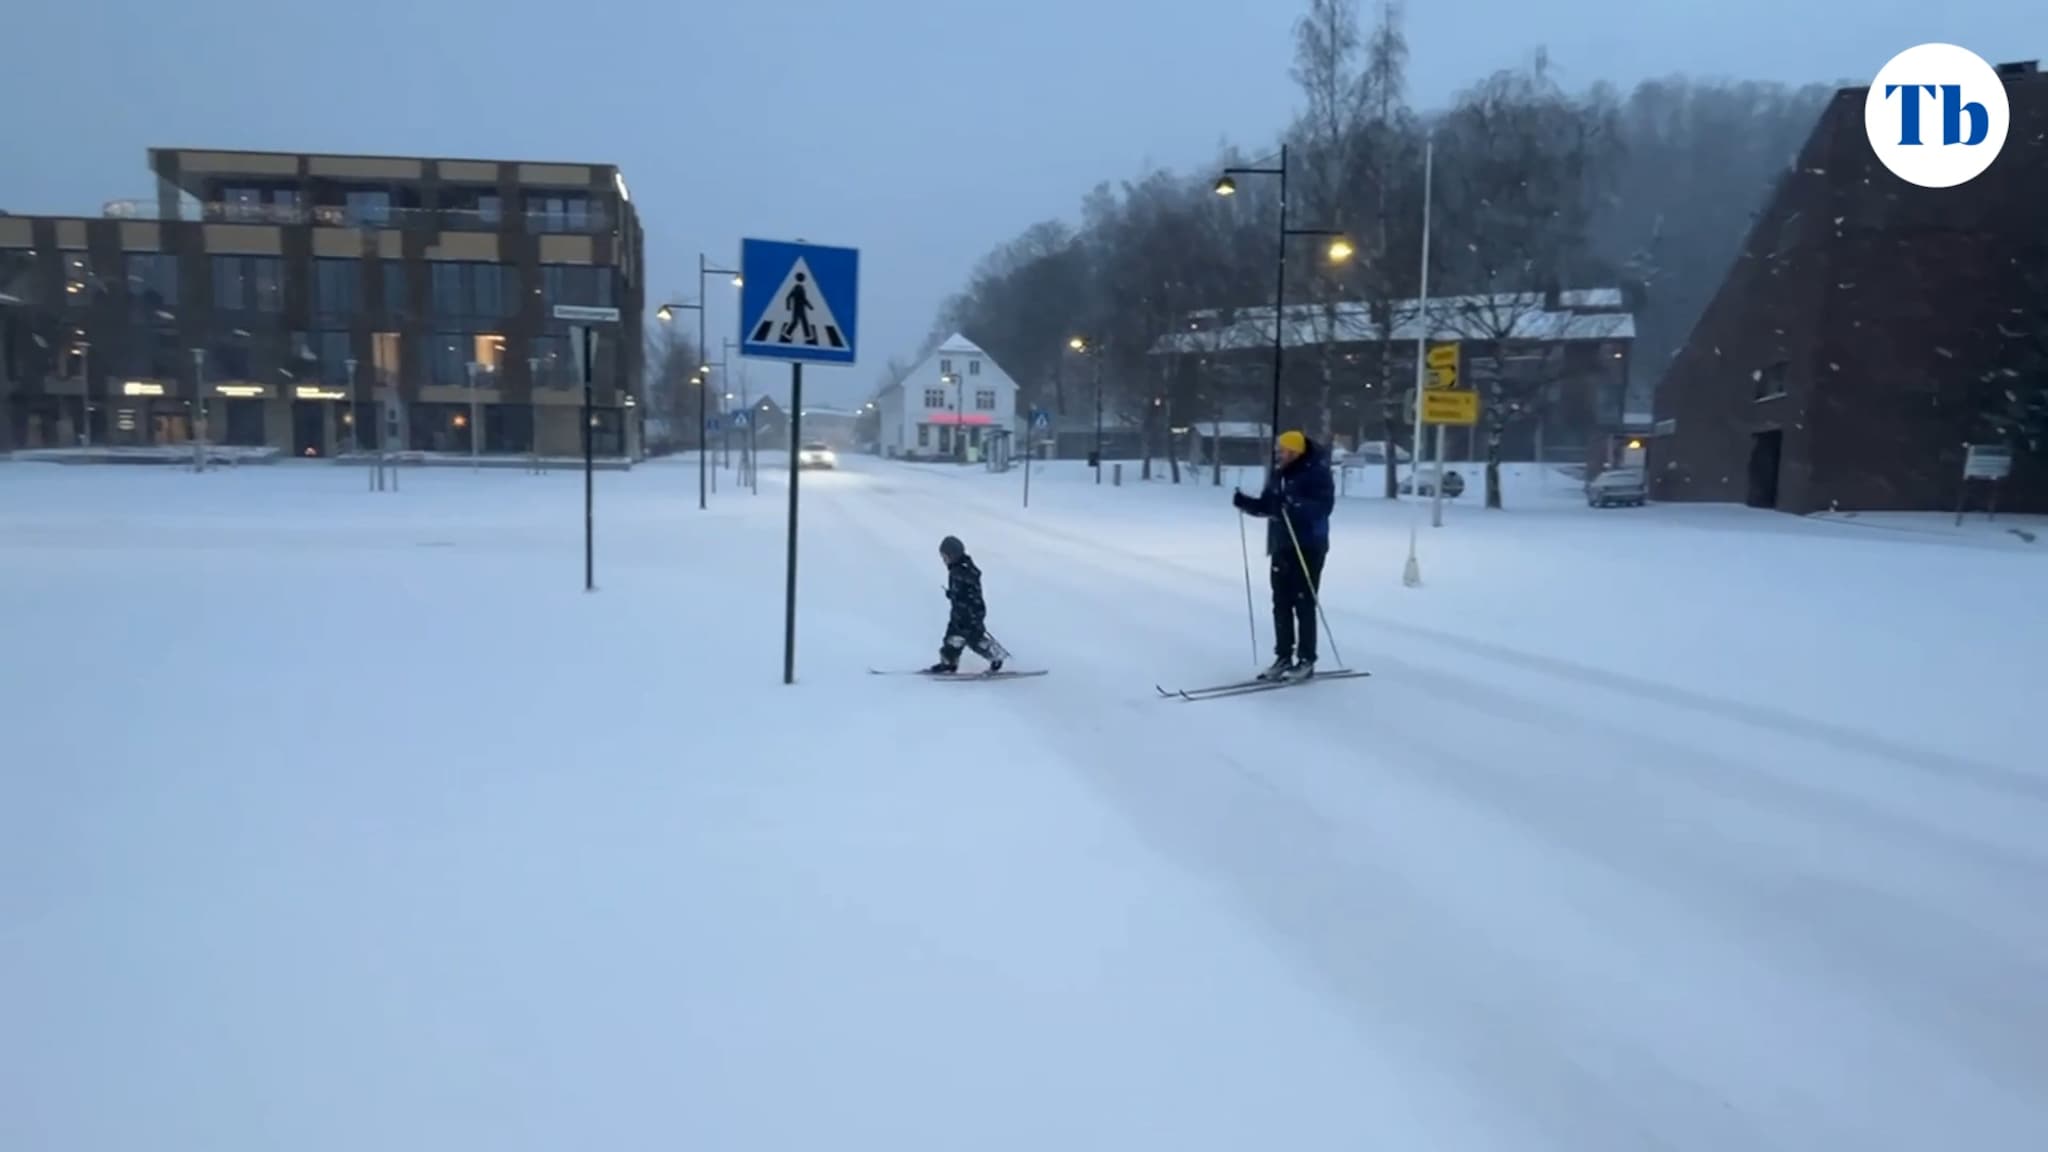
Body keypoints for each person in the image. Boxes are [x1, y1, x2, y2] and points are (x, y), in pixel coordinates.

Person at [1231, 430, 1335, 681]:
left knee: (1304, 602)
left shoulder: (1316, 472)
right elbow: (1270, 506)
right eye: (1279, 450)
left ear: (1296, 451)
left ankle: (1306, 659)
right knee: (1281, 602)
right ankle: (1283, 656)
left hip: (1308, 545)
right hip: (1283, 544)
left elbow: (1323, 507)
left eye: (1284, 450)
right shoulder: (1279, 474)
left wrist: (1294, 504)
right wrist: (1246, 503)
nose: (1279, 454)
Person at [929, 535, 1011, 674]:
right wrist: (952, 594)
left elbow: (969, 592)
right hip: (959, 612)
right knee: (952, 638)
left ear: (953, 555)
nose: (943, 560)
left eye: (945, 556)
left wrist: (962, 602)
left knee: (973, 638)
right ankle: (949, 663)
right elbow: (961, 591)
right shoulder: (957, 569)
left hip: (970, 612)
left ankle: (995, 655)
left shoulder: (963, 570)